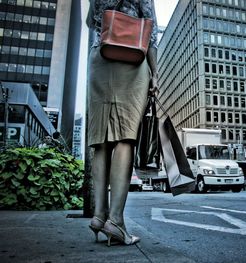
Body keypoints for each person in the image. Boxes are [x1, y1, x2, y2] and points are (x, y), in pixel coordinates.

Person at [86, 0, 158, 246]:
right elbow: (151, 30)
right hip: (132, 57)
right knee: (126, 137)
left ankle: (99, 216)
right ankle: (116, 221)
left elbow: (90, 22)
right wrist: (155, 74)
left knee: (100, 140)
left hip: (100, 56)